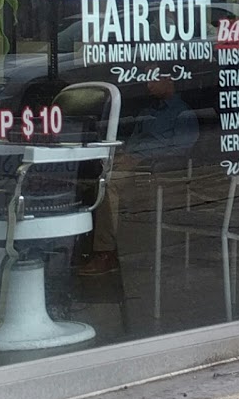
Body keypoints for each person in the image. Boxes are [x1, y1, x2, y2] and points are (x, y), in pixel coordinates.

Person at [81, 74, 199, 275]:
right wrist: (122, 156)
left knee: (108, 185)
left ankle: (105, 253)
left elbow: (182, 151)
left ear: (169, 80)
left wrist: (142, 160)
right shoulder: (147, 111)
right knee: (90, 179)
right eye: (147, 79)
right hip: (132, 165)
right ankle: (85, 247)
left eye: (154, 79)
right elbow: (133, 142)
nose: (148, 84)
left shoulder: (183, 113)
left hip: (154, 172)